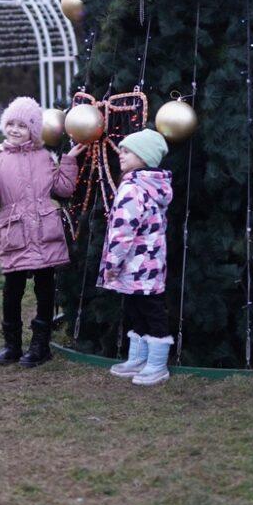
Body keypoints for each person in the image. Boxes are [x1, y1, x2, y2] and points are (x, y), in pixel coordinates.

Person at [0, 97, 85, 367]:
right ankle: (11, 344)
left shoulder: (43, 156)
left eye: (22, 125)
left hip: (45, 233)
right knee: (13, 289)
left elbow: (63, 189)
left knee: (45, 288)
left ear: (33, 130)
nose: (14, 129)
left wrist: (68, 160)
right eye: (10, 123)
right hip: (15, 234)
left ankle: (40, 345)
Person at [98, 129, 174, 386]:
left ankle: (157, 364)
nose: (121, 154)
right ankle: (139, 358)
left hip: (134, 263)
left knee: (151, 311)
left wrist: (112, 264)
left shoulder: (132, 189)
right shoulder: (154, 185)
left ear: (145, 156)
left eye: (128, 151)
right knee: (138, 308)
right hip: (151, 264)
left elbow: (123, 231)